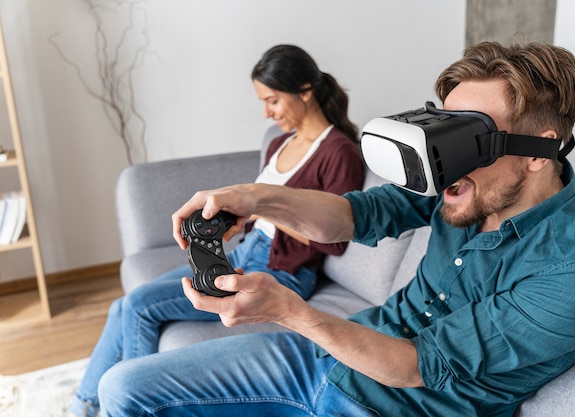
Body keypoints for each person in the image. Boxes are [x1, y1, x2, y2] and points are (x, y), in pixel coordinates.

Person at [97, 41, 575, 417]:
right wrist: (254, 198)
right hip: (334, 355)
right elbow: (354, 216)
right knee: (122, 387)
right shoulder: (464, 189)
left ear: (539, 153)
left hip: (385, 404)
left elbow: (418, 366)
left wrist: (286, 309)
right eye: (445, 127)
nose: (444, 163)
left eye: (470, 140)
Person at [67, 44, 365, 417]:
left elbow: (336, 238)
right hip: (244, 251)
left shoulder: (339, 151)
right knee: (125, 304)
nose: (267, 112)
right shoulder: (279, 141)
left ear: (305, 90)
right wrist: (222, 224)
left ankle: (106, 407)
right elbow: (257, 211)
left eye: (272, 100)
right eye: (263, 101)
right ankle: (86, 404)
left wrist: (271, 211)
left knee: (141, 308)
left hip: (282, 271)